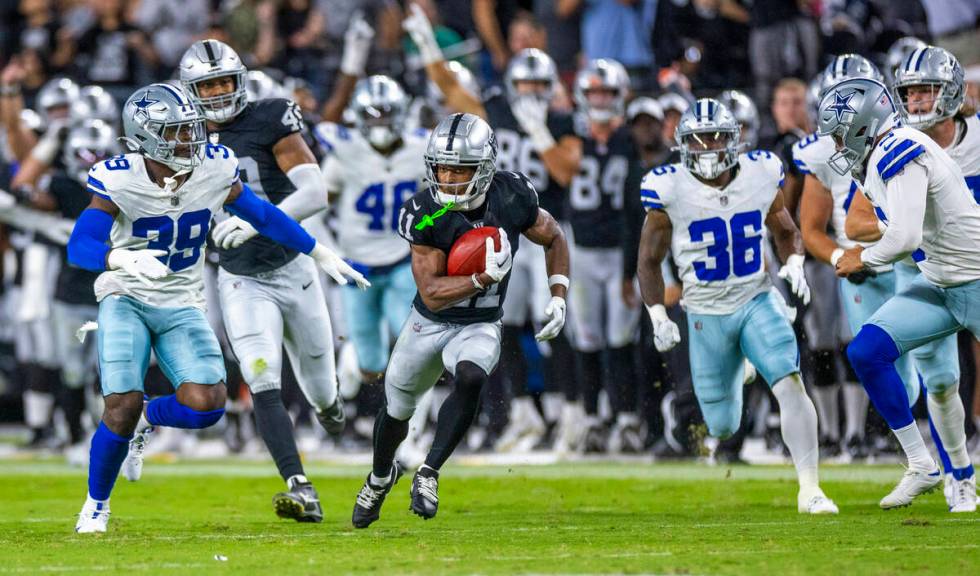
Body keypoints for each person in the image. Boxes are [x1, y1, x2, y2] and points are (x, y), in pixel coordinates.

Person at [69, 83, 364, 533]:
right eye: (176, 132)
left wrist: (317, 251)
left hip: (182, 300)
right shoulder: (118, 177)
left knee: (207, 404)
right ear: (145, 137)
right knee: (120, 404)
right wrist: (120, 256)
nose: (192, 140)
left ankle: (151, 416)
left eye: (191, 129)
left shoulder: (213, 166)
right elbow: (80, 244)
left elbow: (262, 215)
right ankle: (96, 504)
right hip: (125, 296)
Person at [351, 113, 570, 528]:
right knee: (397, 409)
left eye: (461, 168)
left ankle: (429, 472)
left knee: (470, 377)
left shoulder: (511, 194)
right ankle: (380, 478)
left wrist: (559, 295)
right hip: (427, 322)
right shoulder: (425, 213)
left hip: (481, 322)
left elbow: (554, 235)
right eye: (443, 167)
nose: (449, 177)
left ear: (485, 167)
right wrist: (482, 277)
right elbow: (432, 291)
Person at [177, 39, 362, 523]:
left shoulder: (269, 117)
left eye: (223, 81)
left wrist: (257, 219)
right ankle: (300, 486)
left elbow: (315, 190)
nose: (218, 92)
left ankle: (331, 413)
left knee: (323, 389)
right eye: (207, 85)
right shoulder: (181, 138)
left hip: (292, 267)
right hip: (238, 277)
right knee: (261, 373)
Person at [637, 98, 838, 514]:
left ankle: (810, 488)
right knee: (723, 424)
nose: (709, 147)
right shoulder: (668, 187)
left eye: (716, 137)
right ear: (682, 145)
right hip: (704, 313)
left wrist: (795, 262)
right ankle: (743, 365)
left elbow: (784, 228)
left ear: (735, 140)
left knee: (789, 380)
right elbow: (648, 260)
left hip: (755, 297)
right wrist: (658, 313)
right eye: (699, 139)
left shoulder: (762, 173)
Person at [827, 78, 978, 513]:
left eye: (840, 134)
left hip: (974, 277)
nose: (837, 146)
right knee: (866, 352)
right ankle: (923, 464)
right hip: (937, 282)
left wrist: (863, 259)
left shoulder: (899, 148)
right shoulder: (879, 155)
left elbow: (903, 236)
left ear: (862, 126)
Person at [314, 75, 427, 445]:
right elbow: (315, 206)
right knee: (371, 366)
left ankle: (412, 437)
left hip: (400, 261)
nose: (379, 122)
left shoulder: (419, 148)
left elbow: (438, 206)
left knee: (412, 345)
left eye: (386, 114)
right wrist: (331, 251)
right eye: (371, 115)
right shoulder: (344, 152)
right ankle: (351, 359)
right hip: (356, 266)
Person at [567, 58, 644, 452]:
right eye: (593, 93)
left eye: (606, 93)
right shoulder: (569, 136)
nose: (599, 100)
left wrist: (632, 268)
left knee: (620, 339)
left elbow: (635, 210)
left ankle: (628, 418)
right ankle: (593, 417)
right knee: (588, 339)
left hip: (618, 253)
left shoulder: (629, 139)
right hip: (581, 251)